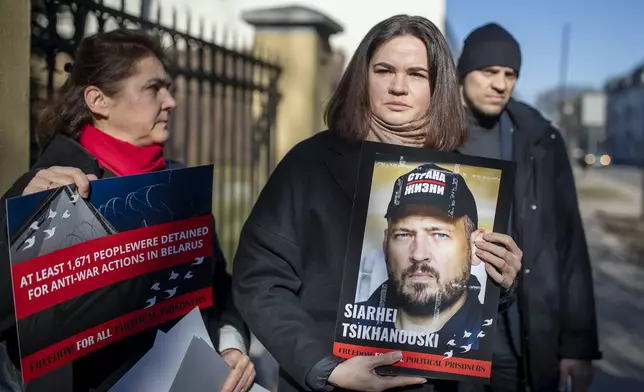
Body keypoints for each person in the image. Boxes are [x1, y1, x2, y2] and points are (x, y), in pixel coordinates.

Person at [232, 15, 523, 392]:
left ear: (438, 86)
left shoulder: (464, 175)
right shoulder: (309, 163)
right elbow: (260, 279)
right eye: (384, 70)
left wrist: (504, 279)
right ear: (361, 77)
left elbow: (469, 291)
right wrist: (324, 367)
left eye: (417, 74)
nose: (398, 87)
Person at [0, 28, 255, 392]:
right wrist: (24, 225)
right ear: (98, 100)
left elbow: (218, 285)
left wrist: (229, 345)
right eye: (153, 88)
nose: (170, 101)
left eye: (167, 87)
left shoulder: (180, 184)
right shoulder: (44, 187)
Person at [456, 23, 601, 392]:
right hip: (449, 334)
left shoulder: (542, 140)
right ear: (463, 71)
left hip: (519, 332)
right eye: (489, 72)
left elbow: (570, 246)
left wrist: (577, 346)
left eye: (510, 74)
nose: (500, 84)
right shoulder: (431, 132)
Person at [359, 164, 485, 351]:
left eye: (440, 235)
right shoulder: (352, 326)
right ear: (385, 244)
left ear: (474, 248)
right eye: (403, 235)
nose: (419, 254)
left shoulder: (489, 338)